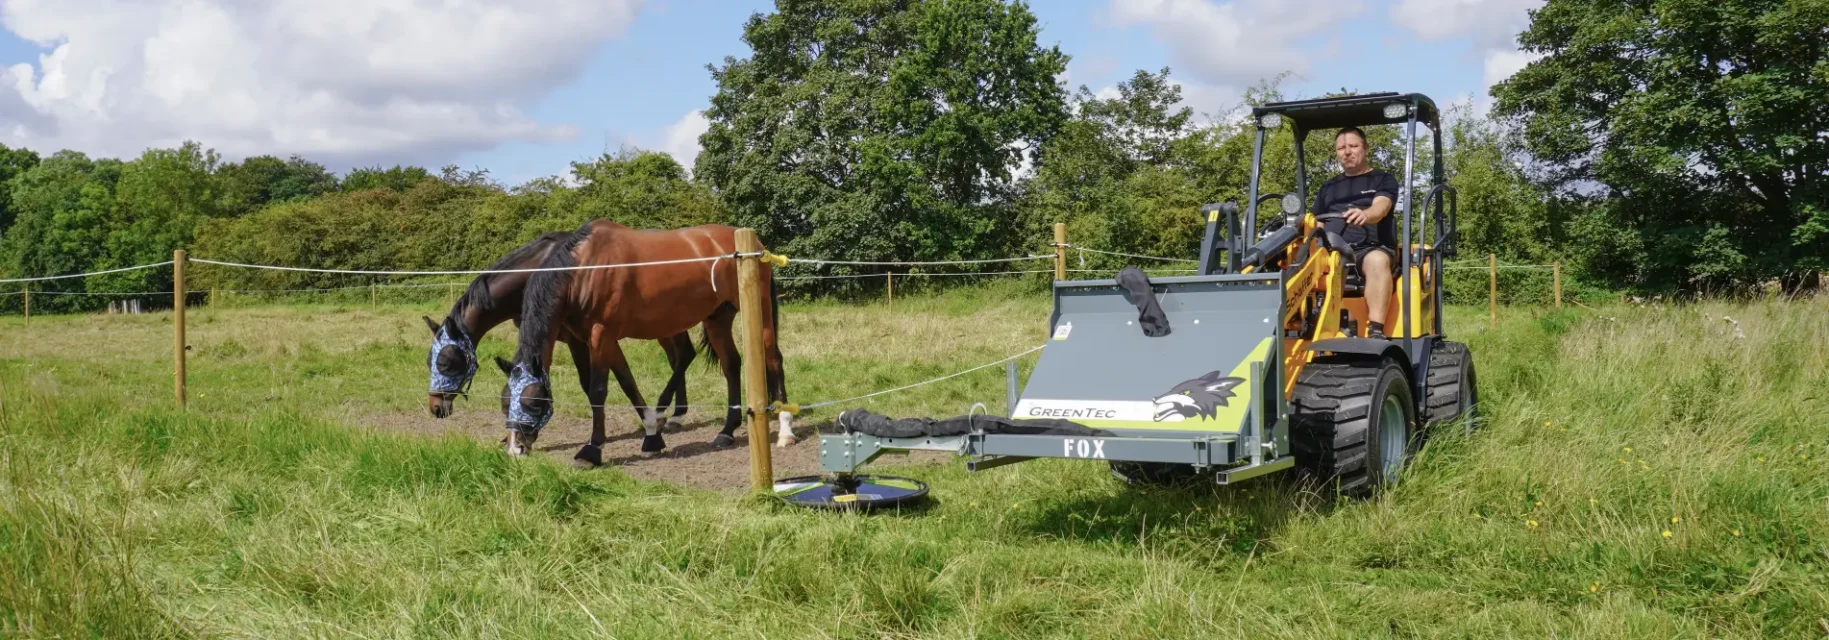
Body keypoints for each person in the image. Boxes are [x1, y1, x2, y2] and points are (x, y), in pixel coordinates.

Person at [1311, 126, 1401, 339]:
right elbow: (1317, 222)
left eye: (1353, 146)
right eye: (1341, 148)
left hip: (1368, 249)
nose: (1347, 152)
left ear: (1365, 148)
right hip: (1332, 250)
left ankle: (1376, 330)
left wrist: (1366, 215)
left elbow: (1382, 207)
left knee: (1377, 261)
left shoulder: (1382, 179)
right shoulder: (1328, 187)